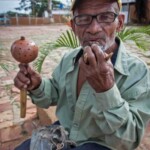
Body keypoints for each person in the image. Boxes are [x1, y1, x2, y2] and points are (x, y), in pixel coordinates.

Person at [14, 0, 150, 149]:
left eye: (105, 17)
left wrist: (106, 90)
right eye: (84, 19)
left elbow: (130, 139)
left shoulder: (138, 72)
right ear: (73, 26)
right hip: (64, 132)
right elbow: (55, 92)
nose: (93, 29)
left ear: (120, 23)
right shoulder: (69, 58)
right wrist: (38, 85)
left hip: (102, 143)